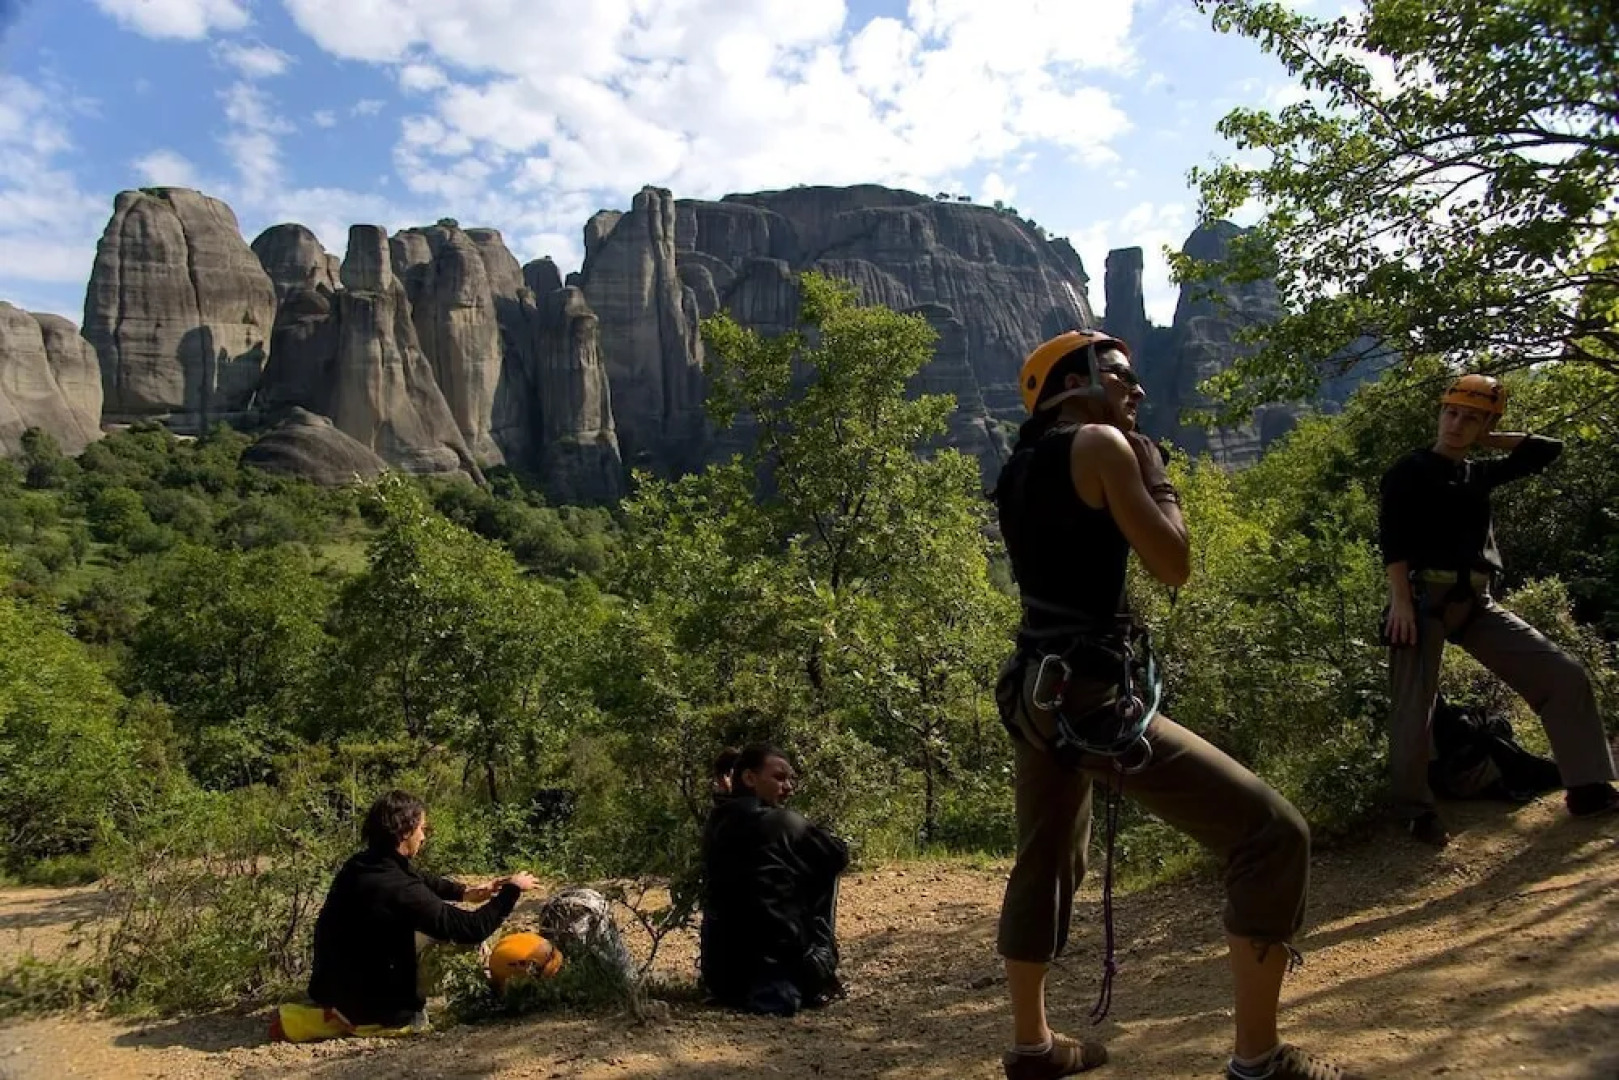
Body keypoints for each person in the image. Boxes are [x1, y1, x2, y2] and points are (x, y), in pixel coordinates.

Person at [990, 330, 1362, 1080]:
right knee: (1271, 835)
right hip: (1092, 699)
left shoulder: (1017, 467)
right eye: (1121, 376)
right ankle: (1259, 1060)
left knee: (1046, 856)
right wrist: (1156, 475)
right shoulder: (1100, 444)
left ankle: (1033, 1046)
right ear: (1077, 382)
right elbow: (1174, 563)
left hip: (1036, 691)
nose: (1137, 391)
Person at [1379, 374, 1618, 846]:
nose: (1456, 424)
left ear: (1486, 423)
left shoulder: (1478, 472)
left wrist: (1488, 438)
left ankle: (1587, 790)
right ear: (1439, 414)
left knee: (1562, 675)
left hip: (1477, 604)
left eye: (1471, 417)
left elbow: (1546, 449)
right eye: (1451, 413)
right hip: (1422, 603)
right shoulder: (1408, 470)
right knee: (1414, 711)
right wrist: (1400, 603)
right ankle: (1415, 811)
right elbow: (1393, 540)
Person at [304, 790, 540, 1031]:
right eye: (422, 829)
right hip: (365, 1008)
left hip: (328, 988)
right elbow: (471, 928)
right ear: (405, 832)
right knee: (459, 940)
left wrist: (464, 892)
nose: (424, 836)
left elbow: (418, 877)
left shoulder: (364, 864)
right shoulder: (399, 889)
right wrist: (513, 890)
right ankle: (478, 1001)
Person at [699, 743, 849, 1017]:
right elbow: (838, 854)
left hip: (722, 978)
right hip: (775, 979)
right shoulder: (782, 823)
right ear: (749, 778)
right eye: (779, 778)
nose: (788, 787)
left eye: (790, 779)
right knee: (824, 868)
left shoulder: (716, 821)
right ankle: (817, 978)